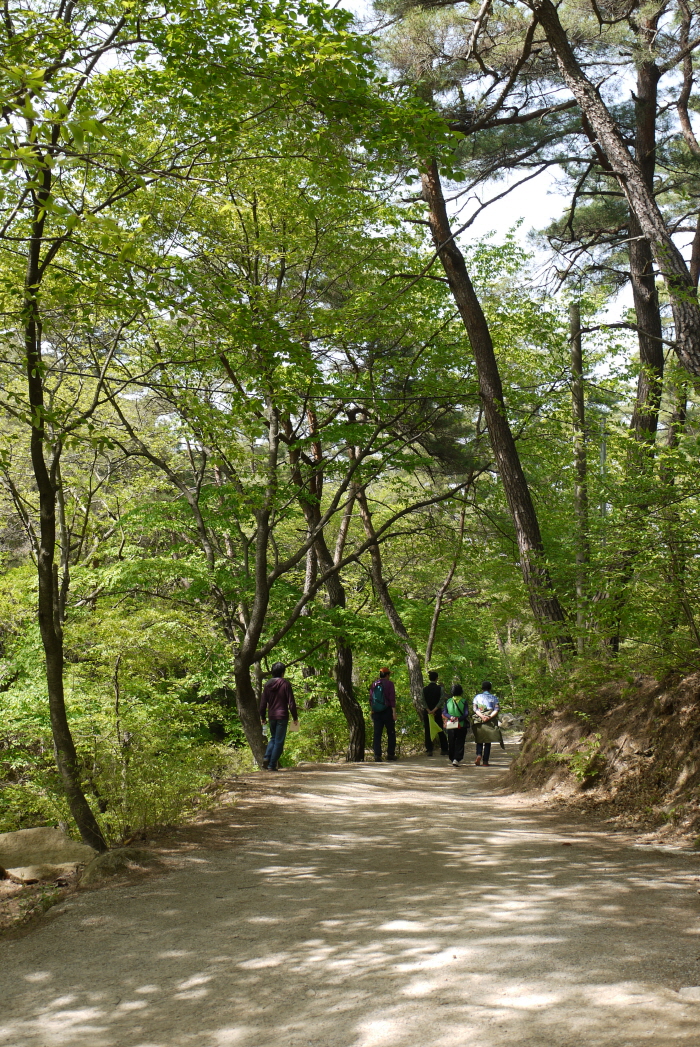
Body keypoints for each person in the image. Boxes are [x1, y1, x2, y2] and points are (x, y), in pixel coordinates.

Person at [259, 662, 298, 771]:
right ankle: (272, 765)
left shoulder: (267, 685)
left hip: (271, 716)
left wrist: (262, 716)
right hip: (282, 716)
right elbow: (291, 703)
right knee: (279, 741)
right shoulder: (285, 684)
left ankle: (267, 757)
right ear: (282, 672)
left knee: (273, 738)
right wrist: (295, 717)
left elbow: (263, 703)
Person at [369, 667, 397, 762]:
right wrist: (394, 712)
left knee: (377, 734)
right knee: (391, 733)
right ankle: (390, 754)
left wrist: (373, 710)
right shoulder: (389, 684)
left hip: (376, 712)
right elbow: (392, 699)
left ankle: (377, 754)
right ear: (387, 675)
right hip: (387, 711)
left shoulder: (374, 684)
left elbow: (371, 699)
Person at [472, 681, 500, 766]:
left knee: (479, 739)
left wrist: (482, 716)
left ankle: (479, 754)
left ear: (482, 688)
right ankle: (485, 761)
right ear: (490, 688)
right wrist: (489, 717)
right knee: (488, 741)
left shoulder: (477, 697)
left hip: (479, 720)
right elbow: (496, 709)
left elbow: (475, 709)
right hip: (490, 721)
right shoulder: (494, 698)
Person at [442, 683, 470, 766]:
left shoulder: (448, 701)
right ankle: (457, 758)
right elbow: (466, 713)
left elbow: (444, 712)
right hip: (461, 724)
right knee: (460, 742)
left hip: (451, 724)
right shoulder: (463, 701)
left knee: (451, 741)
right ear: (461, 691)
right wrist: (458, 719)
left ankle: (452, 757)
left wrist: (451, 717)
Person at [422, 670, 448, 757]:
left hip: (427, 713)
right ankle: (444, 749)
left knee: (428, 730)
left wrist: (428, 710)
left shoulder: (424, 689)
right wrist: (435, 710)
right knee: (440, 729)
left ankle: (429, 749)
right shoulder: (440, 689)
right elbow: (441, 700)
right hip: (437, 712)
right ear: (437, 679)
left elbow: (423, 701)